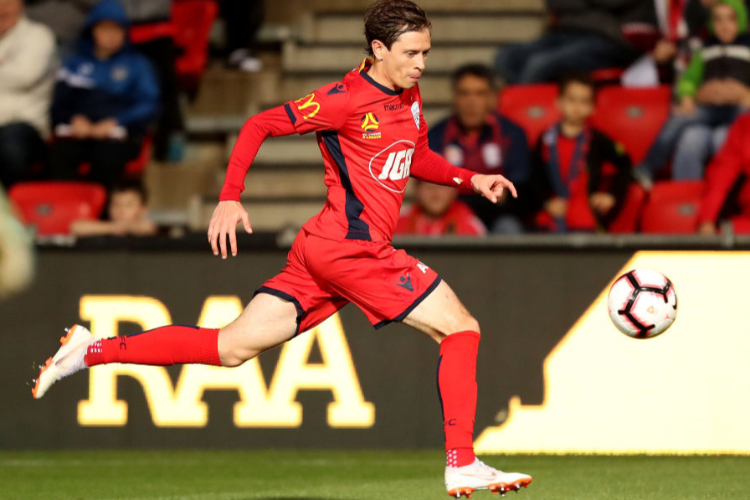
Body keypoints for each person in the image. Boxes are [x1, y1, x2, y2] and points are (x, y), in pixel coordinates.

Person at [31, 1, 533, 497]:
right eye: (411, 53)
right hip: (351, 249)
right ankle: (462, 463)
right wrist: (229, 198)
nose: (421, 63)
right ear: (379, 49)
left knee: (230, 349)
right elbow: (259, 125)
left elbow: (415, 154)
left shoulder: (409, 92)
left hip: (324, 248)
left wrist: (470, 178)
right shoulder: (343, 98)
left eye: (426, 52)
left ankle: (89, 351)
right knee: (461, 328)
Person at [634, 0, 750, 189]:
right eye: (718, 20)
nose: (724, 25)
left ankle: (726, 202)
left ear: (742, 20)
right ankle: (650, 167)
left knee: (723, 139)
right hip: (710, 108)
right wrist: (688, 97)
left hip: (739, 112)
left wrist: (746, 94)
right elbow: (688, 79)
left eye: (731, 19)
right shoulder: (704, 49)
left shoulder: (747, 48)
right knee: (683, 125)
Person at [47, 0, 159, 190]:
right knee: (57, 157)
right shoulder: (74, 64)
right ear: (93, 31)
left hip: (116, 136)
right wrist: (73, 119)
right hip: (77, 134)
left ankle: (101, 214)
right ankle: (65, 214)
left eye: (116, 29)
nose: (111, 35)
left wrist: (117, 122)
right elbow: (58, 104)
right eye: (105, 29)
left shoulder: (137, 65)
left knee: (106, 158)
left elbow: (149, 103)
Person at [428, 63, 529, 234]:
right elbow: (430, 190)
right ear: (454, 98)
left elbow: (516, 189)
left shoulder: (512, 134)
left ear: (491, 99)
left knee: (509, 227)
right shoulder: (436, 136)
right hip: (449, 217)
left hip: (498, 216)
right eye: (464, 93)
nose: (471, 102)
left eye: (479, 94)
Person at [530, 73, 632, 233]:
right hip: (551, 216)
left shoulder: (598, 140)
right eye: (571, 100)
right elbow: (534, 176)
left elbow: (625, 163)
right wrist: (546, 202)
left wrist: (611, 195)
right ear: (559, 102)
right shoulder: (546, 138)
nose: (577, 107)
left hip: (585, 218)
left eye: (584, 102)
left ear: (593, 107)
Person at [495, 0, 657, 85]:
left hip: (614, 40)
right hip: (569, 31)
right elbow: (557, 3)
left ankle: (526, 127)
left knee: (538, 65)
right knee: (506, 57)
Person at [0, 0, 56, 188]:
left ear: (20, 5)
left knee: (8, 148)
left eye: (8, 4)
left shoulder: (38, 36)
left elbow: (24, 76)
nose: (2, 10)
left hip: (23, 125)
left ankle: (16, 211)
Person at [697, 111, 750, 234]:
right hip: (746, 225)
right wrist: (707, 219)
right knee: (726, 233)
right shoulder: (745, 125)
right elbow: (722, 174)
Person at [395, 181, 486, 236]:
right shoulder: (398, 223)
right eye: (429, 187)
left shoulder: (471, 226)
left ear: (454, 190)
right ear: (417, 190)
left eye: (441, 186)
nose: (435, 193)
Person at [70, 180, 157, 237]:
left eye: (128, 205)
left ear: (142, 209)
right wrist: (117, 227)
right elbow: (76, 227)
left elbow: (148, 228)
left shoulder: (146, 229)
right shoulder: (105, 229)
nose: (121, 210)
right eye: (116, 204)